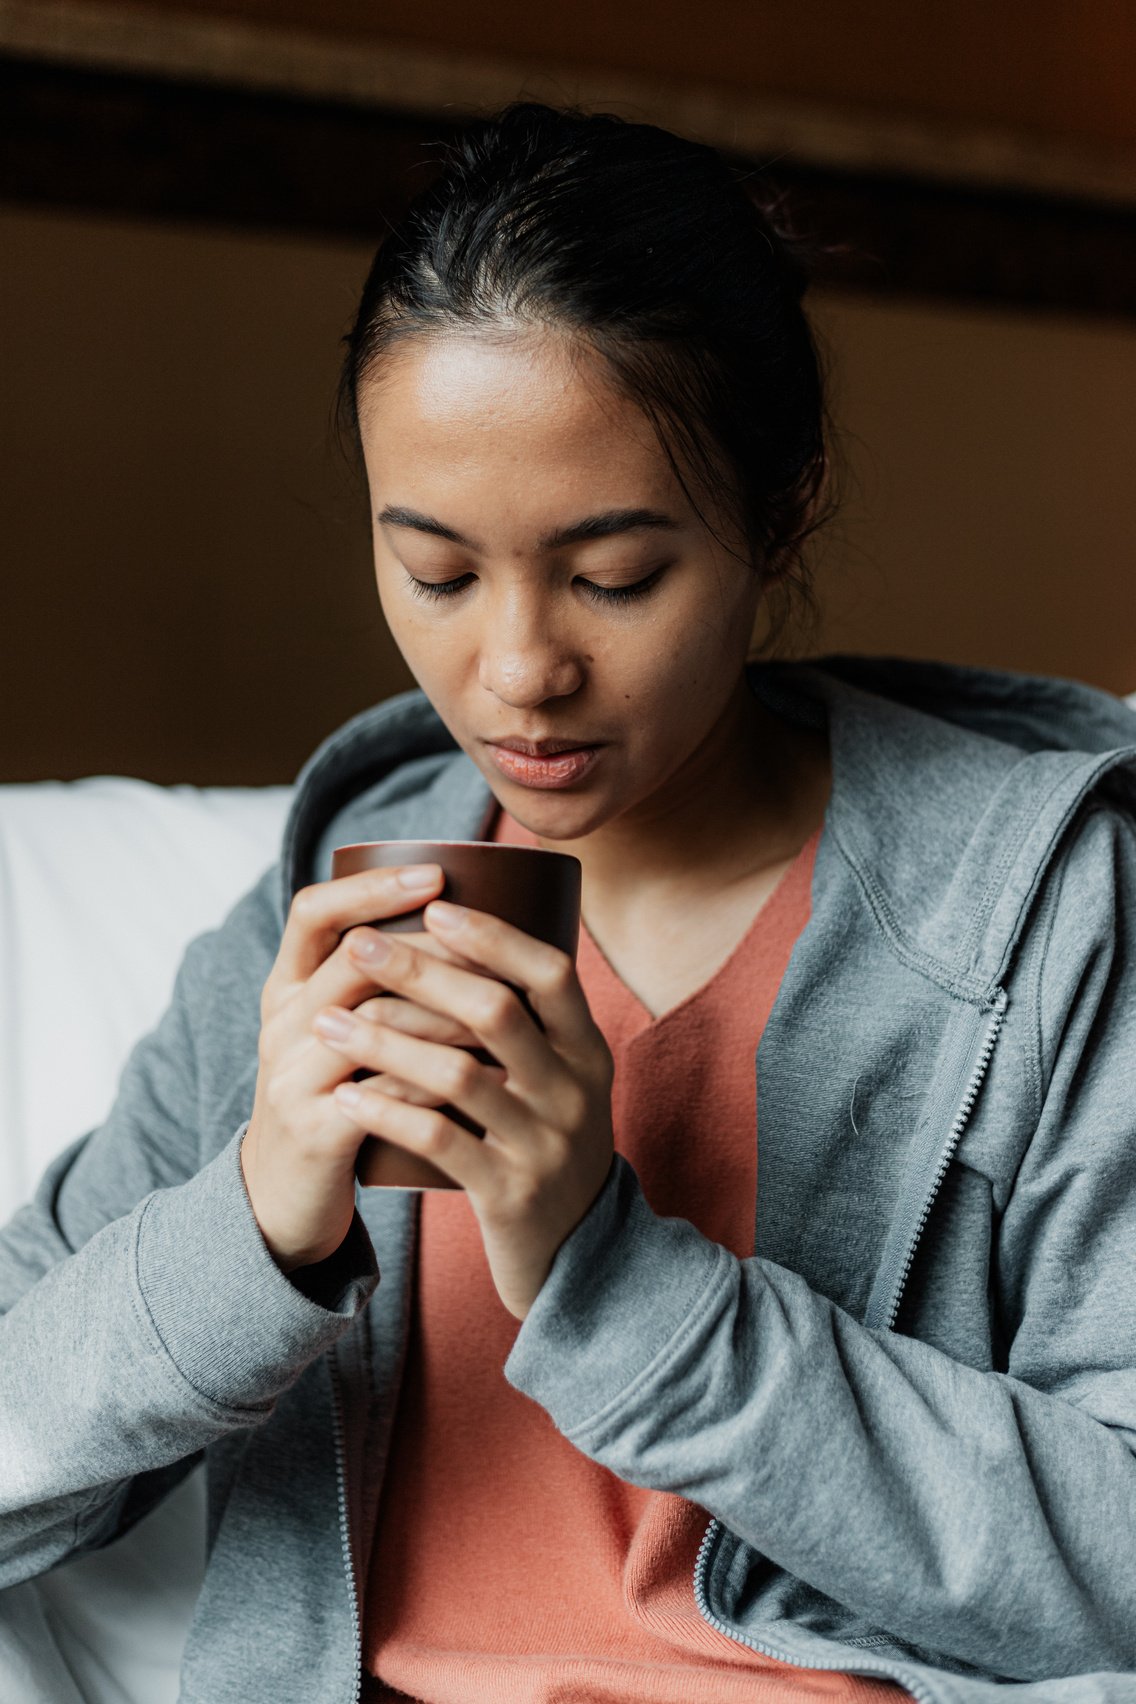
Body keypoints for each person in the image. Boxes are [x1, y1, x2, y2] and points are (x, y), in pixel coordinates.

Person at [2, 100, 1135, 1704]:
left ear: (784, 507)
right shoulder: (342, 899)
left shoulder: (1039, 915)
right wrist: (253, 1222)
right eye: (438, 574)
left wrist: (609, 1277)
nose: (520, 671)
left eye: (614, 576)